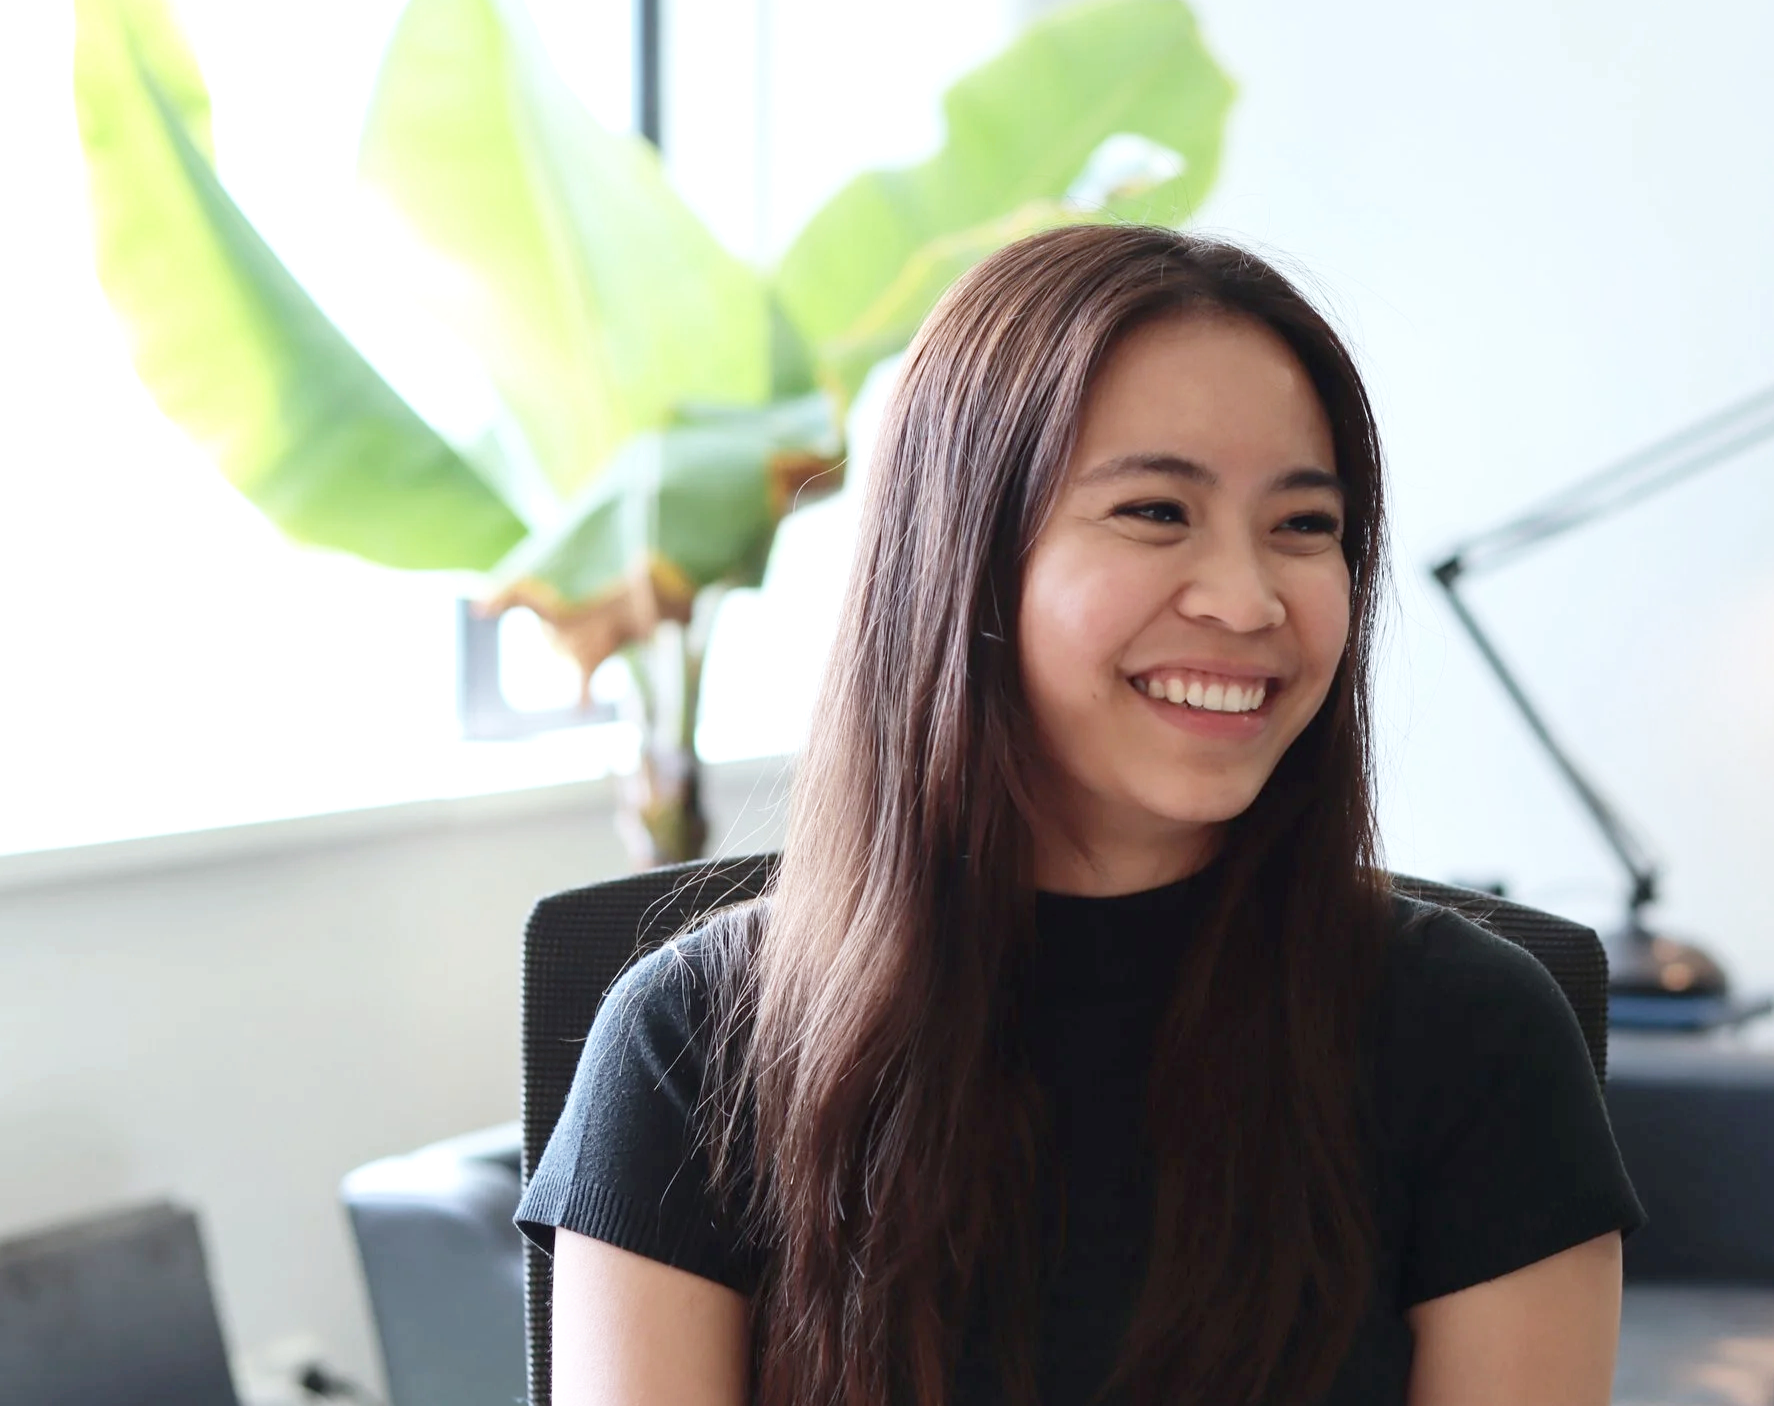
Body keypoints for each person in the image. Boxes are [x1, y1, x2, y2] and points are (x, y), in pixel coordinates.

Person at [516, 224, 1644, 1406]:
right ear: (960, 557)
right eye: (1157, 510)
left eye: (1304, 525)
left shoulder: (1471, 1035)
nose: (1248, 597)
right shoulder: (694, 1041)